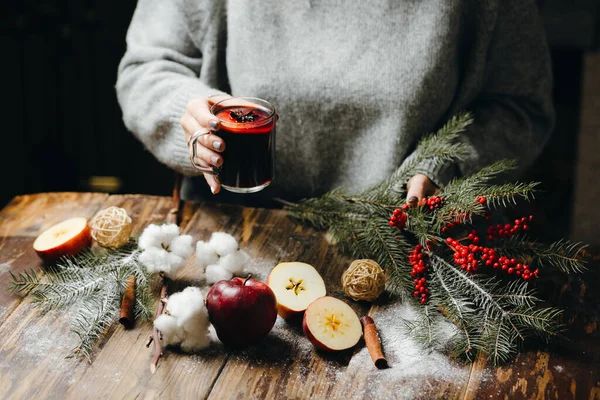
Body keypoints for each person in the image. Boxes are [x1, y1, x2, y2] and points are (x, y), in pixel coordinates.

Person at [116, 0, 554, 207]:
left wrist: (445, 165)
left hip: (405, 247)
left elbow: (520, 107)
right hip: (232, 238)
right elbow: (147, 67)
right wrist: (188, 115)